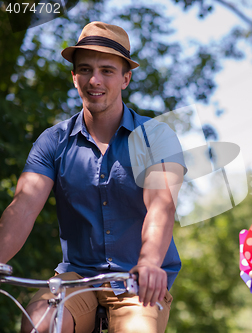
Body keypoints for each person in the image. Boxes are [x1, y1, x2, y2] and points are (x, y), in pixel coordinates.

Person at [0, 22, 186, 333]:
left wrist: (150, 262)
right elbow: (22, 207)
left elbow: (161, 205)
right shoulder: (53, 141)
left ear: (126, 78)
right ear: (74, 76)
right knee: (40, 323)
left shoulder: (154, 136)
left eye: (107, 70)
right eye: (84, 69)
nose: (94, 80)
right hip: (76, 278)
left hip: (137, 280)